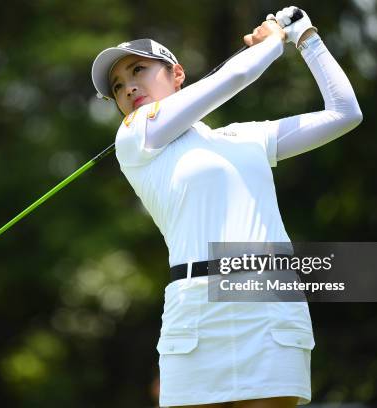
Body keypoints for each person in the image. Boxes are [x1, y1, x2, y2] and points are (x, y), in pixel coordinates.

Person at [91, 6, 362, 408]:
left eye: (138, 71)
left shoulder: (245, 137)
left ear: (177, 74)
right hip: (195, 306)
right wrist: (273, 41)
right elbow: (235, 75)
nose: (128, 87)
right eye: (117, 86)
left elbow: (344, 114)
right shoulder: (135, 136)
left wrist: (305, 38)